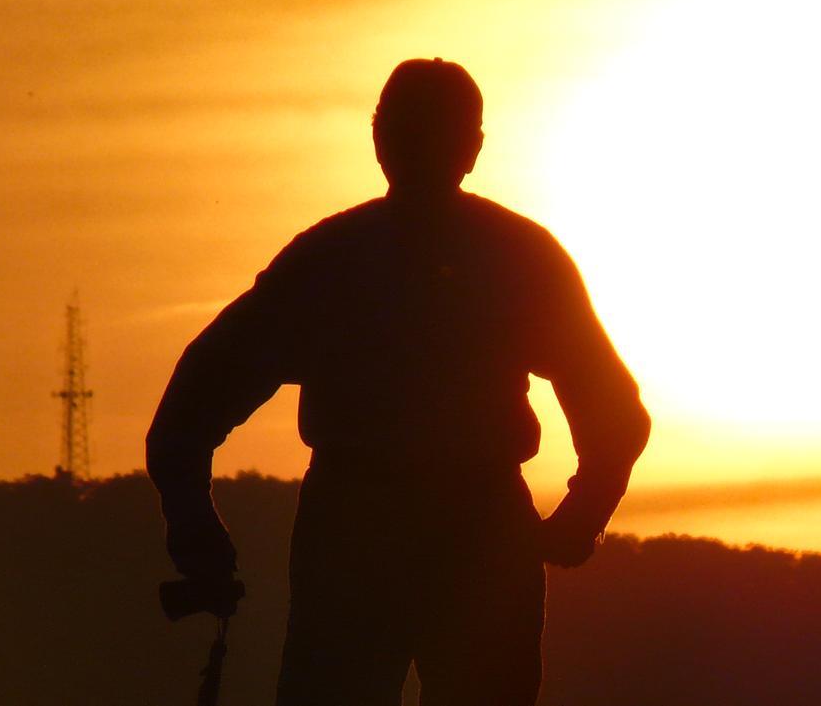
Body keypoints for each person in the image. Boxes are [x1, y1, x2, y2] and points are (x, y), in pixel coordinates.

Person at [147, 57, 650, 706]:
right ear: (473, 146)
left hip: (372, 535)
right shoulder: (516, 257)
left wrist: (193, 523)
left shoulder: (329, 261)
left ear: (380, 136)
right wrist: (580, 516)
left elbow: (193, 400)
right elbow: (617, 412)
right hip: (465, 538)